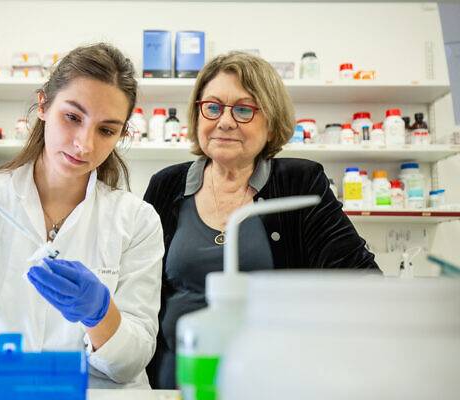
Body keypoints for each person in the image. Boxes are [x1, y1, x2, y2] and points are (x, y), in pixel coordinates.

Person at [0, 43, 164, 388]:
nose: (84, 143)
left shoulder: (137, 220)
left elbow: (130, 364)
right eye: (72, 117)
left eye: (106, 130)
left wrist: (100, 314)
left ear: (121, 134)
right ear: (43, 105)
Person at [143, 51, 379, 389]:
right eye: (213, 106)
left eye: (243, 109)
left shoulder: (300, 183)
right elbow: (138, 291)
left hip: (273, 383)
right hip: (177, 383)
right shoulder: (166, 186)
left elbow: (361, 282)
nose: (225, 121)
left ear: (271, 121)